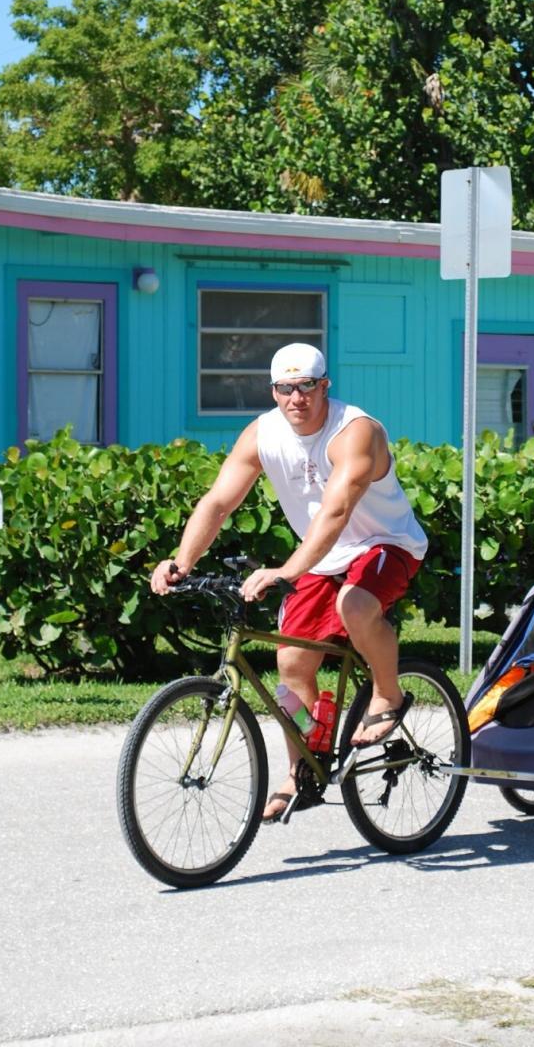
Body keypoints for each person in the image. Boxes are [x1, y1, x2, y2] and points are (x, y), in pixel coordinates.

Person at [150, 343, 428, 823]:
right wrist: (182, 561)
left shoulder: (354, 432)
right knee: (292, 664)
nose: (295, 398)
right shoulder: (262, 434)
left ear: (325, 386)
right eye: (284, 388)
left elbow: (337, 512)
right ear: (272, 390)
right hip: (321, 555)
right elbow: (218, 502)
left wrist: (286, 571)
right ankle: (303, 766)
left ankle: (388, 692)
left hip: (386, 543)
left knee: (355, 604)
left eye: (306, 387)